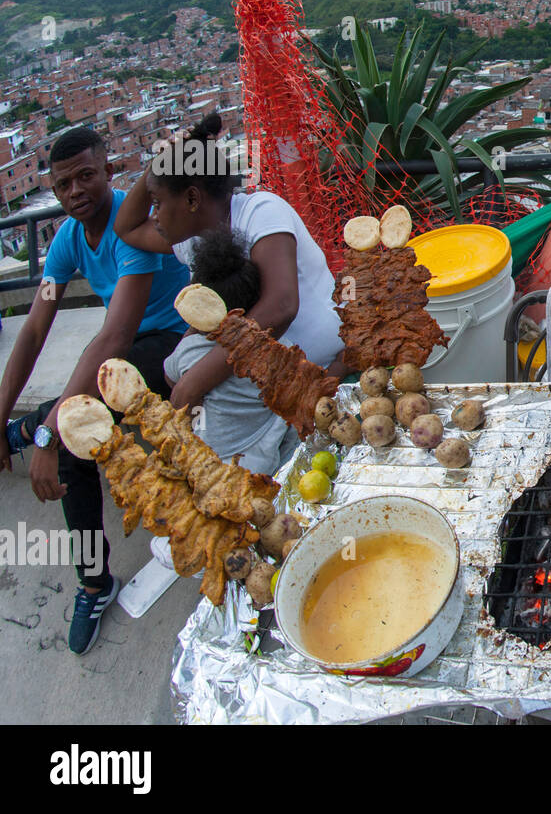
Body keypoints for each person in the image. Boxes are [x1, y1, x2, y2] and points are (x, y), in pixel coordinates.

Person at [0, 127, 191, 654]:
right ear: (55, 192)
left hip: (172, 340)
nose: (76, 190)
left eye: (87, 175)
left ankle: (93, 582)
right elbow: (36, 327)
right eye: (64, 183)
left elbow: (115, 335)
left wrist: (47, 435)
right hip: (126, 347)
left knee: (71, 439)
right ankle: (94, 580)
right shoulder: (65, 240)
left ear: (109, 172)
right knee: (72, 436)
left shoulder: (133, 227)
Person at [113, 114, 345, 411]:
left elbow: (280, 307)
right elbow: (127, 228)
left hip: (318, 366)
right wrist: (160, 164)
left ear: (192, 199)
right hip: (264, 375)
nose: (153, 215)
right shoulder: (191, 239)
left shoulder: (261, 211)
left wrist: (195, 381)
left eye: (157, 203)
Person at [164, 227, 298, 476]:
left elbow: (171, 378)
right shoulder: (279, 349)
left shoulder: (189, 351)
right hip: (264, 460)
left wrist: (191, 331)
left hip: (211, 461)